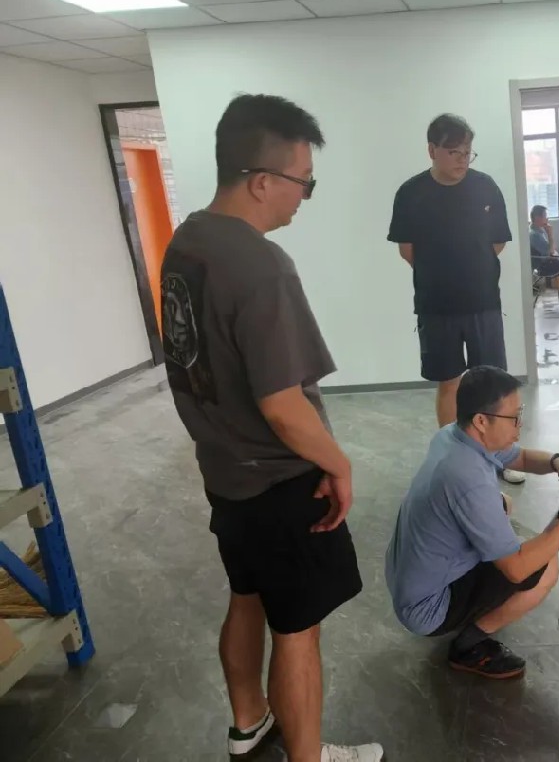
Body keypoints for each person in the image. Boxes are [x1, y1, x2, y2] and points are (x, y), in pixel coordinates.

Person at [160, 94, 383, 762]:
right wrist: (339, 463)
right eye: (303, 181)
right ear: (262, 180)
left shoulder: (186, 243)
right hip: (280, 482)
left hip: (224, 473)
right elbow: (284, 407)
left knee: (247, 596)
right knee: (298, 629)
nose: (305, 196)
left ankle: (248, 726)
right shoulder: (261, 264)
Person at [384, 366, 559, 678]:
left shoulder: (452, 436)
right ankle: (468, 647)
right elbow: (517, 569)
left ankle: (472, 606)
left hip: (407, 581)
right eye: (514, 417)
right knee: (544, 567)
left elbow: (521, 457)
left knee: (504, 504)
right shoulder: (468, 479)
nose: (520, 424)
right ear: (481, 421)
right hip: (428, 607)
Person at [387, 115, 526, 484]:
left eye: (467, 152)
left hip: (483, 302)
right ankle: (453, 462)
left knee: (492, 384)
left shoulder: (485, 188)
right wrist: (442, 274)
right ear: (432, 150)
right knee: (448, 382)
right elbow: (407, 250)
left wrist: (471, 272)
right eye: (454, 152)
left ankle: (498, 457)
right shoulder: (411, 193)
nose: (462, 160)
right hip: (436, 305)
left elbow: (497, 242)